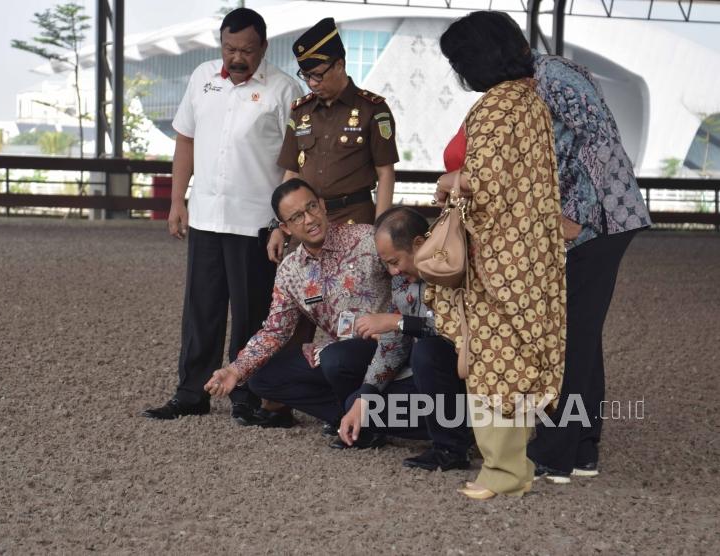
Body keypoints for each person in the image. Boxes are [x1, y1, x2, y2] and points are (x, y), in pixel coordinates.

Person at [142, 8, 302, 425]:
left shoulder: (285, 89)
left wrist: (283, 223)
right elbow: (185, 141)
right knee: (201, 309)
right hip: (206, 216)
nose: (236, 57)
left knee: (252, 313)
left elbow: (295, 162)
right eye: (229, 48)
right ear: (221, 45)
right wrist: (178, 201)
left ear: (263, 47)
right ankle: (191, 391)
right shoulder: (201, 77)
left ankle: (247, 393)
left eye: (246, 50)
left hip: (256, 222)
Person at [435, 11, 567, 499]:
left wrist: (447, 182)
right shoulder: (530, 101)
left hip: (496, 257)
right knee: (514, 357)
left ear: (476, 60)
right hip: (528, 253)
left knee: (492, 359)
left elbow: (482, 184)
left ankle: (503, 473)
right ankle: (516, 467)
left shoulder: (496, 107)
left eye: (458, 61)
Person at [524, 20, 651, 483]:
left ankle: (554, 453)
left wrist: (578, 217)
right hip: (592, 220)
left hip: (598, 221)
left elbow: (600, 141)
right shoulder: (535, 82)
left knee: (569, 337)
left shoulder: (553, 79)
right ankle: (582, 450)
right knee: (582, 334)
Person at [205, 178, 404, 448]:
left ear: (322, 205)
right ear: (285, 227)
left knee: (335, 357)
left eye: (312, 207)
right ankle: (347, 415)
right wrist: (235, 370)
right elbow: (276, 331)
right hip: (343, 355)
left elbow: (408, 279)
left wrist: (401, 325)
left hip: (388, 345)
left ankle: (363, 425)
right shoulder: (290, 270)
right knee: (262, 378)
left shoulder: (367, 239)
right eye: (297, 216)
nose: (309, 219)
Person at [335, 206, 472, 468]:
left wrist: (400, 322)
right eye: (387, 264)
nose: (393, 271)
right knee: (360, 405)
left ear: (419, 244)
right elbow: (392, 345)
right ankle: (461, 426)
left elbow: (462, 330)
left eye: (394, 262)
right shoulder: (401, 281)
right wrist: (366, 395)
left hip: (471, 381)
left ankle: (451, 448)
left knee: (428, 351)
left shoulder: (456, 267)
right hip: (435, 390)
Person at [268, 17, 400, 263]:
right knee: (309, 295)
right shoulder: (301, 111)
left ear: (340, 64)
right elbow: (291, 174)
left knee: (356, 296)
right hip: (306, 222)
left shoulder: (373, 109)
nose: (312, 84)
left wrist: (379, 230)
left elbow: (386, 174)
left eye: (318, 75)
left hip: (355, 219)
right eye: (305, 76)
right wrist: (279, 226)